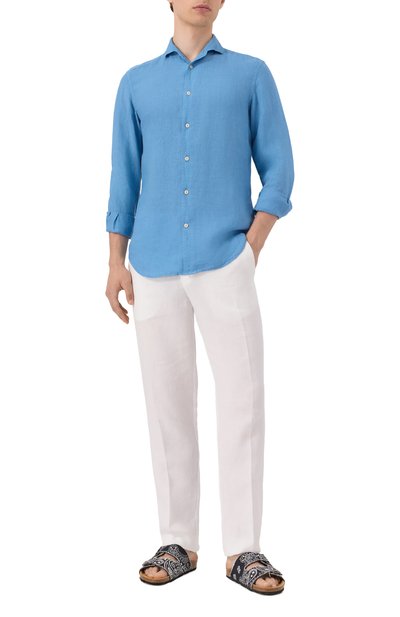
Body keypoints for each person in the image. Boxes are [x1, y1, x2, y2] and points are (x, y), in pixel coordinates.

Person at [105, 0, 294, 595]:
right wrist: (114, 260)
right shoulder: (136, 84)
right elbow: (123, 177)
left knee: (242, 402)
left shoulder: (251, 75)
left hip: (224, 259)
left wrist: (250, 249)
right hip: (153, 264)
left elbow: (280, 169)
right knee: (167, 407)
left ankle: (244, 549)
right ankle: (178, 540)